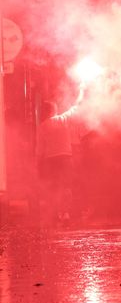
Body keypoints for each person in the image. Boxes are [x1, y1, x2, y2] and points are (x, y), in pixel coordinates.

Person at [35, 88, 84, 225]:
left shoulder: (42, 127)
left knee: (54, 187)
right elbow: (77, 107)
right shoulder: (62, 119)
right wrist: (81, 89)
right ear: (53, 110)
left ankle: (55, 214)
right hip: (65, 158)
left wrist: (38, 164)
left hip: (50, 160)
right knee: (66, 186)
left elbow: (39, 149)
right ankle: (66, 213)